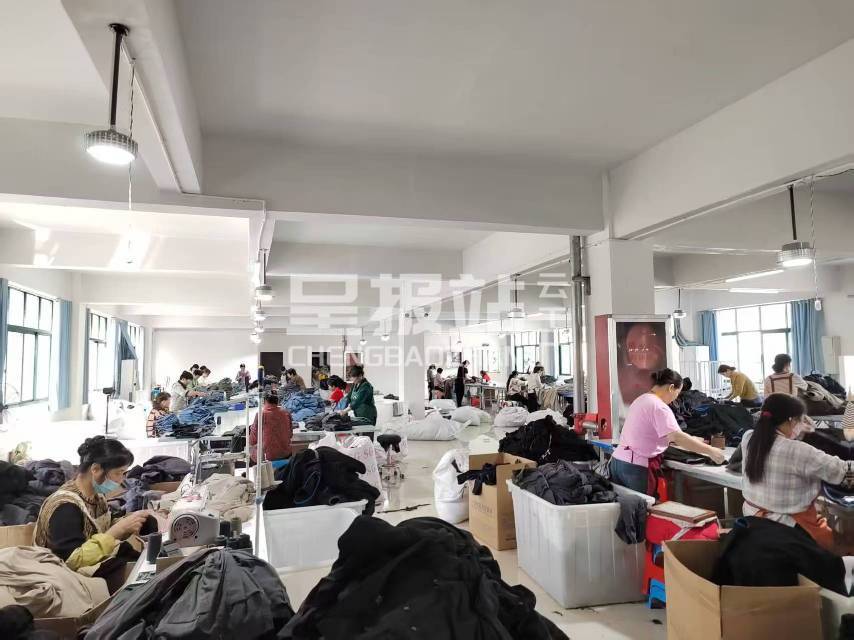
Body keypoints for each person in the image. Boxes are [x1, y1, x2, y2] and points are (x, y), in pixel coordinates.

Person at [741, 393, 850, 551]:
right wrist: (811, 435)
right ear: (791, 420)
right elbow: (843, 472)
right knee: (845, 544)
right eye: (800, 420)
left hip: (754, 526)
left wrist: (802, 434)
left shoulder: (748, 439)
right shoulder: (798, 451)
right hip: (790, 532)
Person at [34, 437, 152, 577]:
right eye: (118, 473)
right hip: (64, 577)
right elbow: (71, 561)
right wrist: (118, 530)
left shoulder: (96, 497)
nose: (121, 480)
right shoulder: (65, 507)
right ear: (95, 469)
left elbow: (102, 527)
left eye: (123, 473)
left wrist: (132, 522)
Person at [610, 368, 727, 496]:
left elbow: (652, 433)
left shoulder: (641, 399)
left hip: (618, 462)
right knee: (642, 506)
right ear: (671, 388)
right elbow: (677, 437)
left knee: (624, 506)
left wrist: (691, 438)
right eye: (677, 393)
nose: (675, 398)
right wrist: (711, 451)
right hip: (635, 468)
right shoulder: (659, 406)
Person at [248, 393, 293, 464]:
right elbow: (290, 434)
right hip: (286, 454)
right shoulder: (286, 413)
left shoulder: (261, 415)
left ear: (265, 402)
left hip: (270, 458)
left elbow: (252, 440)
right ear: (277, 402)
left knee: (251, 452)